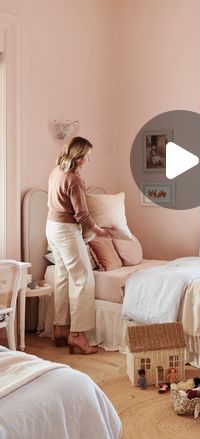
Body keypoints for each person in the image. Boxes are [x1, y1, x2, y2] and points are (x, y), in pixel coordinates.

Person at [46, 136, 111, 355]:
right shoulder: (73, 179)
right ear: (79, 156)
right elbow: (82, 214)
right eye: (88, 156)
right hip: (65, 230)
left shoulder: (55, 172)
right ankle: (78, 335)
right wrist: (98, 230)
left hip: (51, 227)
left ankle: (61, 327)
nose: (89, 160)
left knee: (63, 275)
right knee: (84, 278)